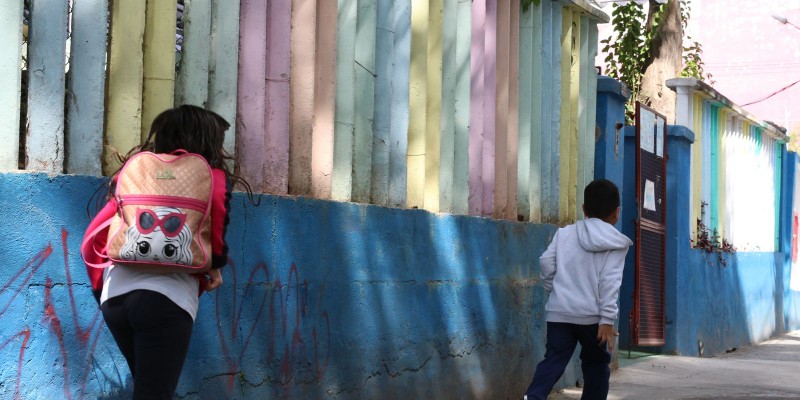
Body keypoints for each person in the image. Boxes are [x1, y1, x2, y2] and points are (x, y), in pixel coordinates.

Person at [83, 105, 252, 399]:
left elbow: (93, 237)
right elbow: (217, 237)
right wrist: (215, 267)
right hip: (166, 302)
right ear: (208, 142)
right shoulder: (212, 179)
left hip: (115, 299)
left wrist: (102, 290)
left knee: (149, 389)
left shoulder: (134, 173)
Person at [524, 179, 633, 400]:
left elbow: (546, 263)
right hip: (593, 319)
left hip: (560, 312)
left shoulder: (564, 233)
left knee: (554, 359)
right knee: (596, 364)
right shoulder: (617, 243)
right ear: (617, 213)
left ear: (584, 209)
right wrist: (607, 319)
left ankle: (533, 397)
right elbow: (610, 282)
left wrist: (553, 289)